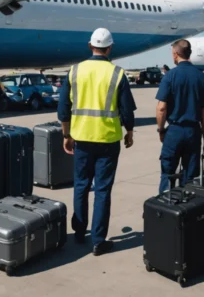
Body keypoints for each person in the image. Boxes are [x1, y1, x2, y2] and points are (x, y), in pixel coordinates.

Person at [57, 28, 136, 256]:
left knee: (81, 185)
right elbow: (127, 110)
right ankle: (99, 241)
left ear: (90, 45)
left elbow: (63, 110)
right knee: (102, 190)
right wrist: (129, 131)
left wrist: (66, 135)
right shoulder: (117, 74)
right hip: (108, 140)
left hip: (81, 138)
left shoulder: (74, 71)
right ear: (110, 48)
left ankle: (79, 232)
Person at [155, 39, 204, 192]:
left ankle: (166, 202)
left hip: (174, 131)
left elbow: (161, 108)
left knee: (168, 173)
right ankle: (188, 202)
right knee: (191, 176)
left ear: (175, 54)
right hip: (193, 132)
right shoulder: (201, 77)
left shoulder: (170, 76)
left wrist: (161, 129)